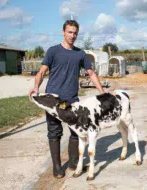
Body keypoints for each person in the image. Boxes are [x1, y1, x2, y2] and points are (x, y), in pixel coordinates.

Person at [29, 20, 105, 179]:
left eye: (75, 33)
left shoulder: (80, 53)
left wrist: (103, 92)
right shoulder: (53, 51)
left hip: (71, 101)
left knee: (77, 132)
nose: (72, 35)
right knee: (54, 131)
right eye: (70, 32)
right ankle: (57, 167)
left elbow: (91, 73)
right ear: (63, 32)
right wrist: (36, 87)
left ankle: (73, 162)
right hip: (54, 102)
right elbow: (42, 72)